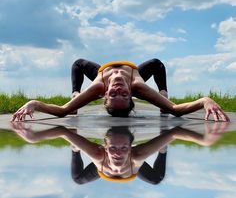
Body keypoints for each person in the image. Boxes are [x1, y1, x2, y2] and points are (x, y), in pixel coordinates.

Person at [11, 58, 230, 122]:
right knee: (156, 63)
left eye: (113, 94)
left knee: (78, 63)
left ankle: (76, 93)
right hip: (131, 69)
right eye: (123, 94)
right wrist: (205, 100)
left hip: (103, 70)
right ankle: (162, 92)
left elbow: (62, 111)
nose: (117, 88)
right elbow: (175, 109)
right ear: (131, 94)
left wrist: (33, 103)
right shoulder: (137, 85)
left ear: (104, 94)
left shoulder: (99, 85)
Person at [11, 121, 229, 183]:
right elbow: (175, 133)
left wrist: (33, 138)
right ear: (104, 146)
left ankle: (75, 150)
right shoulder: (131, 156)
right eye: (115, 147)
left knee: (78, 179)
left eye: (122, 147)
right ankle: (75, 151)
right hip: (118, 170)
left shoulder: (131, 156)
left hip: (115, 170)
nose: (117, 152)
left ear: (131, 147)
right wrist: (204, 140)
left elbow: (61, 131)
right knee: (156, 179)